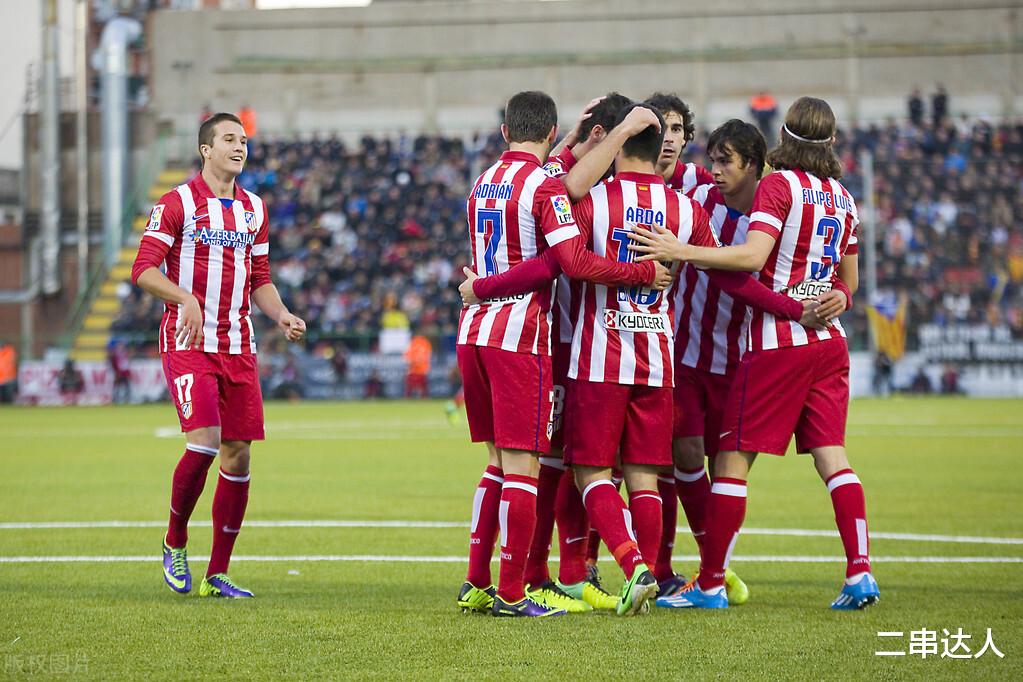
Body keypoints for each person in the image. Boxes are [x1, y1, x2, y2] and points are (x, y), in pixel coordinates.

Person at [632, 96, 878, 611]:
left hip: (775, 344)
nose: (717, 170)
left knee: (732, 464)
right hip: (829, 343)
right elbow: (850, 282)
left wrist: (680, 251)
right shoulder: (843, 198)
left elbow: (751, 258)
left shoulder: (778, 185)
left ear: (782, 137)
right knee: (835, 461)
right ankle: (860, 573)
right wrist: (843, 299)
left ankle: (712, 583)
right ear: (831, 141)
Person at [454, 91, 669, 618]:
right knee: (526, 468)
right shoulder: (546, 186)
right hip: (519, 337)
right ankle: (512, 593)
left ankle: (477, 581)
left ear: (505, 132)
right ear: (549, 132)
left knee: (497, 467)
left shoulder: (484, 182)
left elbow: (554, 176)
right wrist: (643, 271)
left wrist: (578, 139)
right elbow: (569, 262)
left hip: (474, 334)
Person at [131, 112, 306, 599]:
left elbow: (260, 279)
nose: (239, 146)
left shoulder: (254, 208)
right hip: (189, 344)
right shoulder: (177, 203)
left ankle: (217, 573)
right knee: (205, 442)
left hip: (239, 346)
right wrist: (183, 297)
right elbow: (143, 269)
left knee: (239, 454)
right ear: (205, 149)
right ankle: (175, 540)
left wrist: (281, 315)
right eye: (229, 139)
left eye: (244, 140)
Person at [403, 330, 432, 398]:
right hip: (422, 369)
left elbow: (407, 356)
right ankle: (424, 397)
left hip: (413, 369)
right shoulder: (426, 342)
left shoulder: (412, 342)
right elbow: (429, 355)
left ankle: (409, 397)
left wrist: (411, 362)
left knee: (410, 386)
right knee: (423, 386)